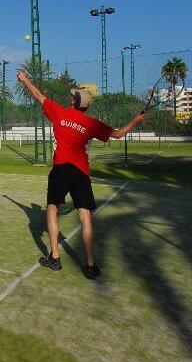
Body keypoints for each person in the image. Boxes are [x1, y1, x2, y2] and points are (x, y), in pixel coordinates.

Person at [16, 69, 145, 279]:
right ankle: (90, 265)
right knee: (85, 216)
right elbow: (119, 134)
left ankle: (55, 258)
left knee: (51, 210)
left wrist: (24, 79)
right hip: (81, 172)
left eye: (72, 96)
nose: (70, 97)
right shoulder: (92, 123)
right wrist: (135, 121)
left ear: (74, 102)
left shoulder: (60, 113)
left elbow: (38, 96)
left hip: (61, 169)